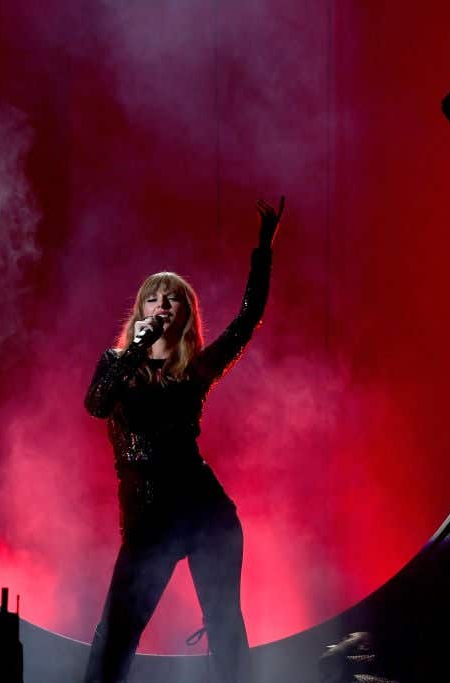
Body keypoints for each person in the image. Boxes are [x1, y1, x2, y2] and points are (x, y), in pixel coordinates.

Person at [82, 197, 285, 683]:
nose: (162, 304)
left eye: (172, 299)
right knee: (116, 634)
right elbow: (96, 405)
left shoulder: (195, 371)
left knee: (225, 627)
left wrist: (263, 249)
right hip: (147, 521)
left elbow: (246, 320)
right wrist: (134, 350)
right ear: (140, 310)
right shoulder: (117, 366)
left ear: (185, 315)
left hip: (203, 512)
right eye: (153, 297)